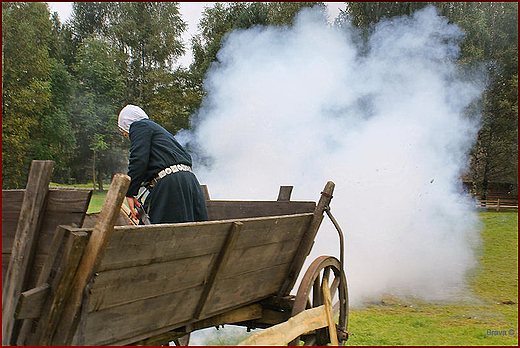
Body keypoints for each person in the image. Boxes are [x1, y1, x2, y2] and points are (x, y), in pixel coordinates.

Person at [118, 104, 208, 224]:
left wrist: (130, 192)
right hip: (190, 181)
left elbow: (138, 160)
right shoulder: (158, 131)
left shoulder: (138, 125)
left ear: (127, 123)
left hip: (171, 184)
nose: (124, 134)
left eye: (122, 129)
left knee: (161, 235)